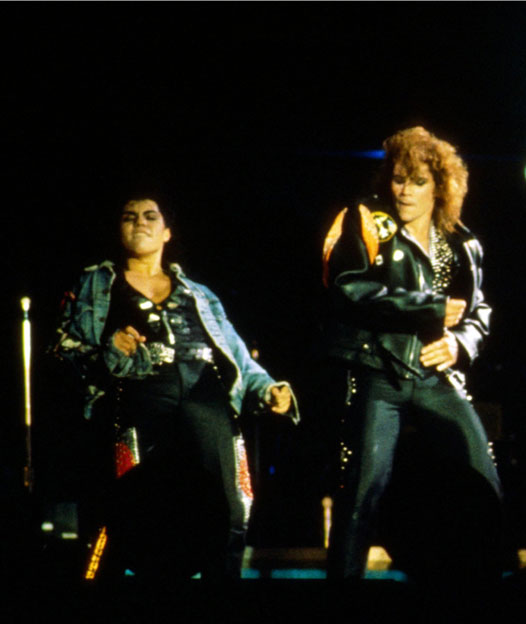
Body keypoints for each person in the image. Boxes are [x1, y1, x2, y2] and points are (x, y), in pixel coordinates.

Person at [54, 195, 297, 579]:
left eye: (150, 216)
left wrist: (268, 388)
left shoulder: (198, 293)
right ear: (118, 229)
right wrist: (109, 350)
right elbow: (64, 353)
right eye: (129, 216)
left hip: (205, 394)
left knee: (231, 505)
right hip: (138, 394)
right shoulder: (95, 283)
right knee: (128, 508)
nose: (140, 222)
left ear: (167, 232)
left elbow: (236, 355)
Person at [320, 126, 502, 580]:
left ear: (439, 187)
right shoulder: (366, 220)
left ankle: (492, 578)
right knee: (363, 488)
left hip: (434, 377)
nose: (405, 191)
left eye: (418, 181)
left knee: (481, 472)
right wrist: (429, 307)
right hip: (377, 370)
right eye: (399, 179)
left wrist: (460, 344)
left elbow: (480, 310)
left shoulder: (461, 242)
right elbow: (348, 287)